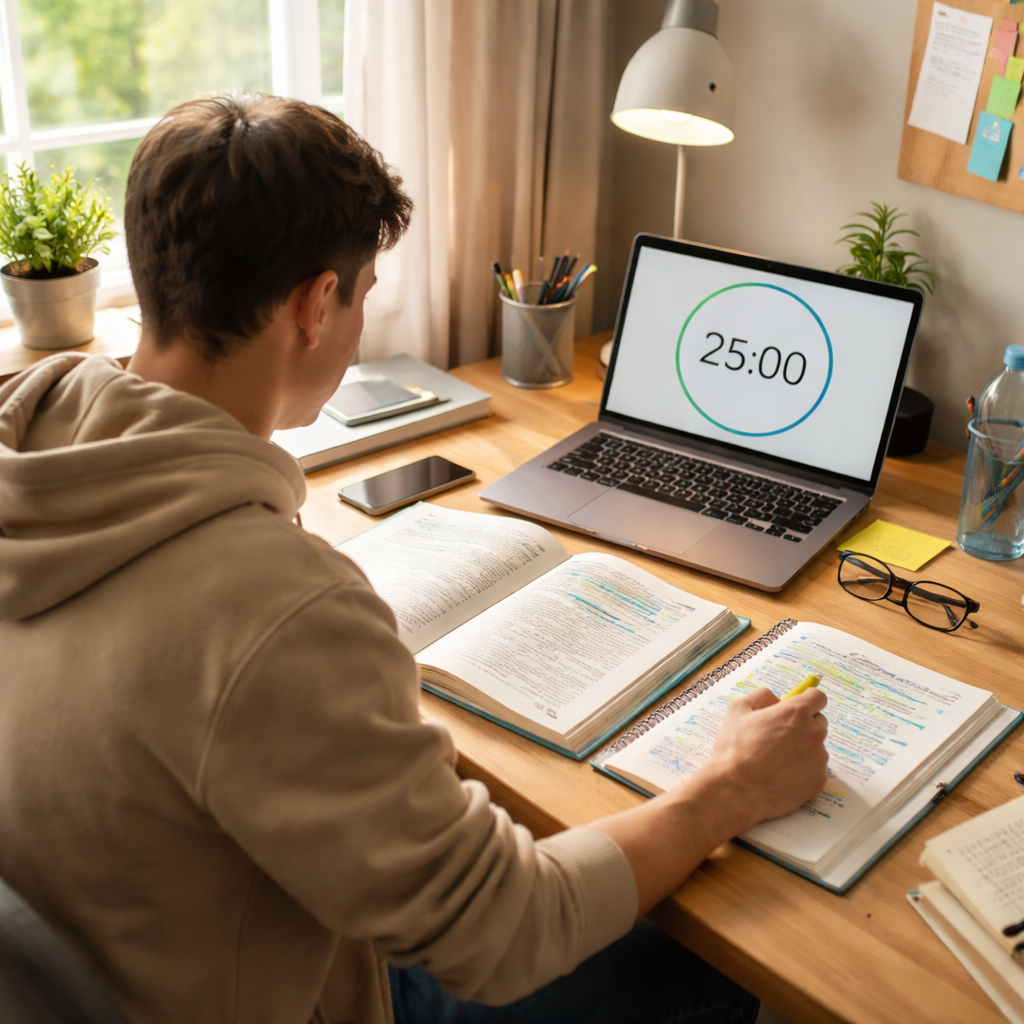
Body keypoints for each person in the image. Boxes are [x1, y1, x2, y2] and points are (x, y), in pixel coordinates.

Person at [0, 93, 828, 1024]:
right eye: (365, 295)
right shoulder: (272, 612)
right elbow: (509, 932)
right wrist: (726, 789)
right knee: (710, 959)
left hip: (149, 950)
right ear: (317, 304)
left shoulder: (34, 440)